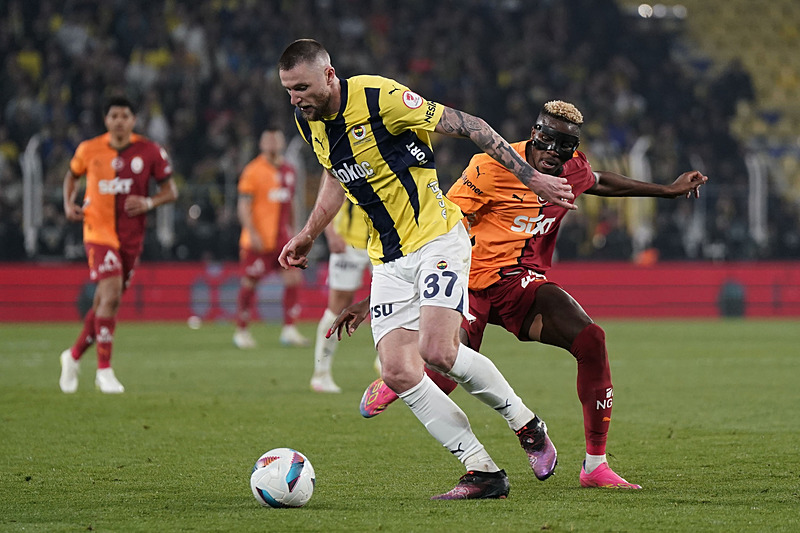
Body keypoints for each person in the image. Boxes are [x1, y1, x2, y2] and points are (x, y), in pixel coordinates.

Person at [354, 100, 709, 489]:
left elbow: (598, 181)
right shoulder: (489, 167)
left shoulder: (571, 170)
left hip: (520, 283)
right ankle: (400, 378)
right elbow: (435, 225)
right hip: (467, 282)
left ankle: (595, 466)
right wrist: (384, 293)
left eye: (564, 146)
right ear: (534, 133)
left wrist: (667, 191)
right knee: (443, 371)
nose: (553, 152)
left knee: (591, 339)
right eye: (547, 140)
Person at [277, 39, 575, 500]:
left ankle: (525, 423)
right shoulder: (308, 120)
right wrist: (310, 232)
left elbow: (472, 126)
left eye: (302, 87)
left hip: (437, 238)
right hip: (388, 259)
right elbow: (335, 172)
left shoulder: (380, 98)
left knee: (437, 350)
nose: (296, 99)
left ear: (330, 75)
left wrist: (531, 177)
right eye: (289, 90)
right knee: (397, 371)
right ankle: (482, 471)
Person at [60, 95, 178, 394]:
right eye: (114, 116)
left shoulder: (150, 151)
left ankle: (73, 356)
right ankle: (104, 371)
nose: (119, 121)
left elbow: (171, 191)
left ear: (133, 120)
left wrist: (148, 202)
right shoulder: (89, 149)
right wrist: (68, 203)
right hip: (98, 233)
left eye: (125, 116)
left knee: (105, 301)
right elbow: (71, 177)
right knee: (111, 295)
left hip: (131, 238)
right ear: (106, 120)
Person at [233, 128, 309, 349]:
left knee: (293, 278)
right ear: (261, 144)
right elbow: (243, 206)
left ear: (282, 143)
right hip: (258, 240)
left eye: (276, 139)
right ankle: (241, 330)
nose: (272, 143)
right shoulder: (253, 170)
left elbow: (291, 203)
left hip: (282, 239)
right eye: (268, 140)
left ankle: (289, 329)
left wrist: (296, 232)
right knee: (250, 282)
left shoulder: (289, 170)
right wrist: (252, 232)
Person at [310, 198, 373, 393]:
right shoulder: (341, 174)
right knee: (338, 307)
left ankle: (388, 362)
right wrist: (331, 235)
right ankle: (321, 373)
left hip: (384, 242)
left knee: (395, 298)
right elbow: (327, 198)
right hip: (349, 244)